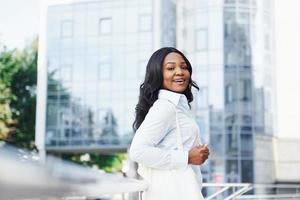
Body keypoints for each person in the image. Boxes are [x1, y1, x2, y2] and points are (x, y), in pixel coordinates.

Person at [129, 47, 209, 199]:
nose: (179, 72)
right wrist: (187, 157)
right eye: (170, 68)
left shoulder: (178, 106)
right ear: (158, 74)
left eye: (184, 67)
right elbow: (138, 151)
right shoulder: (165, 106)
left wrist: (196, 154)